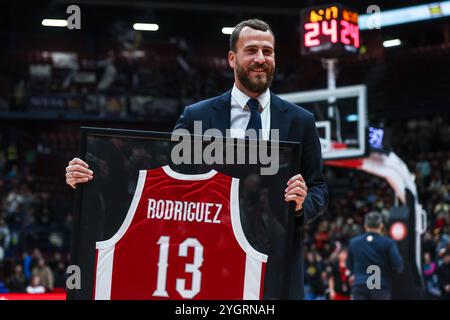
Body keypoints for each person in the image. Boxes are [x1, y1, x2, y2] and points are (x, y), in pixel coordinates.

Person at [65, 18, 328, 299]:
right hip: (212, 262)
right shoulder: (197, 116)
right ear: (232, 58)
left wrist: (302, 205)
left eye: (268, 51)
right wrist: (90, 179)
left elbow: (319, 189)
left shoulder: (301, 121)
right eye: (251, 50)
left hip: (275, 263)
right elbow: (158, 178)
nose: (261, 58)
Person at [346, 211, 404, 300]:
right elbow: (398, 265)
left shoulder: (354, 242)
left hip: (360, 286)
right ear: (381, 225)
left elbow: (349, 266)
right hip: (380, 286)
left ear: (365, 225)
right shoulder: (388, 243)